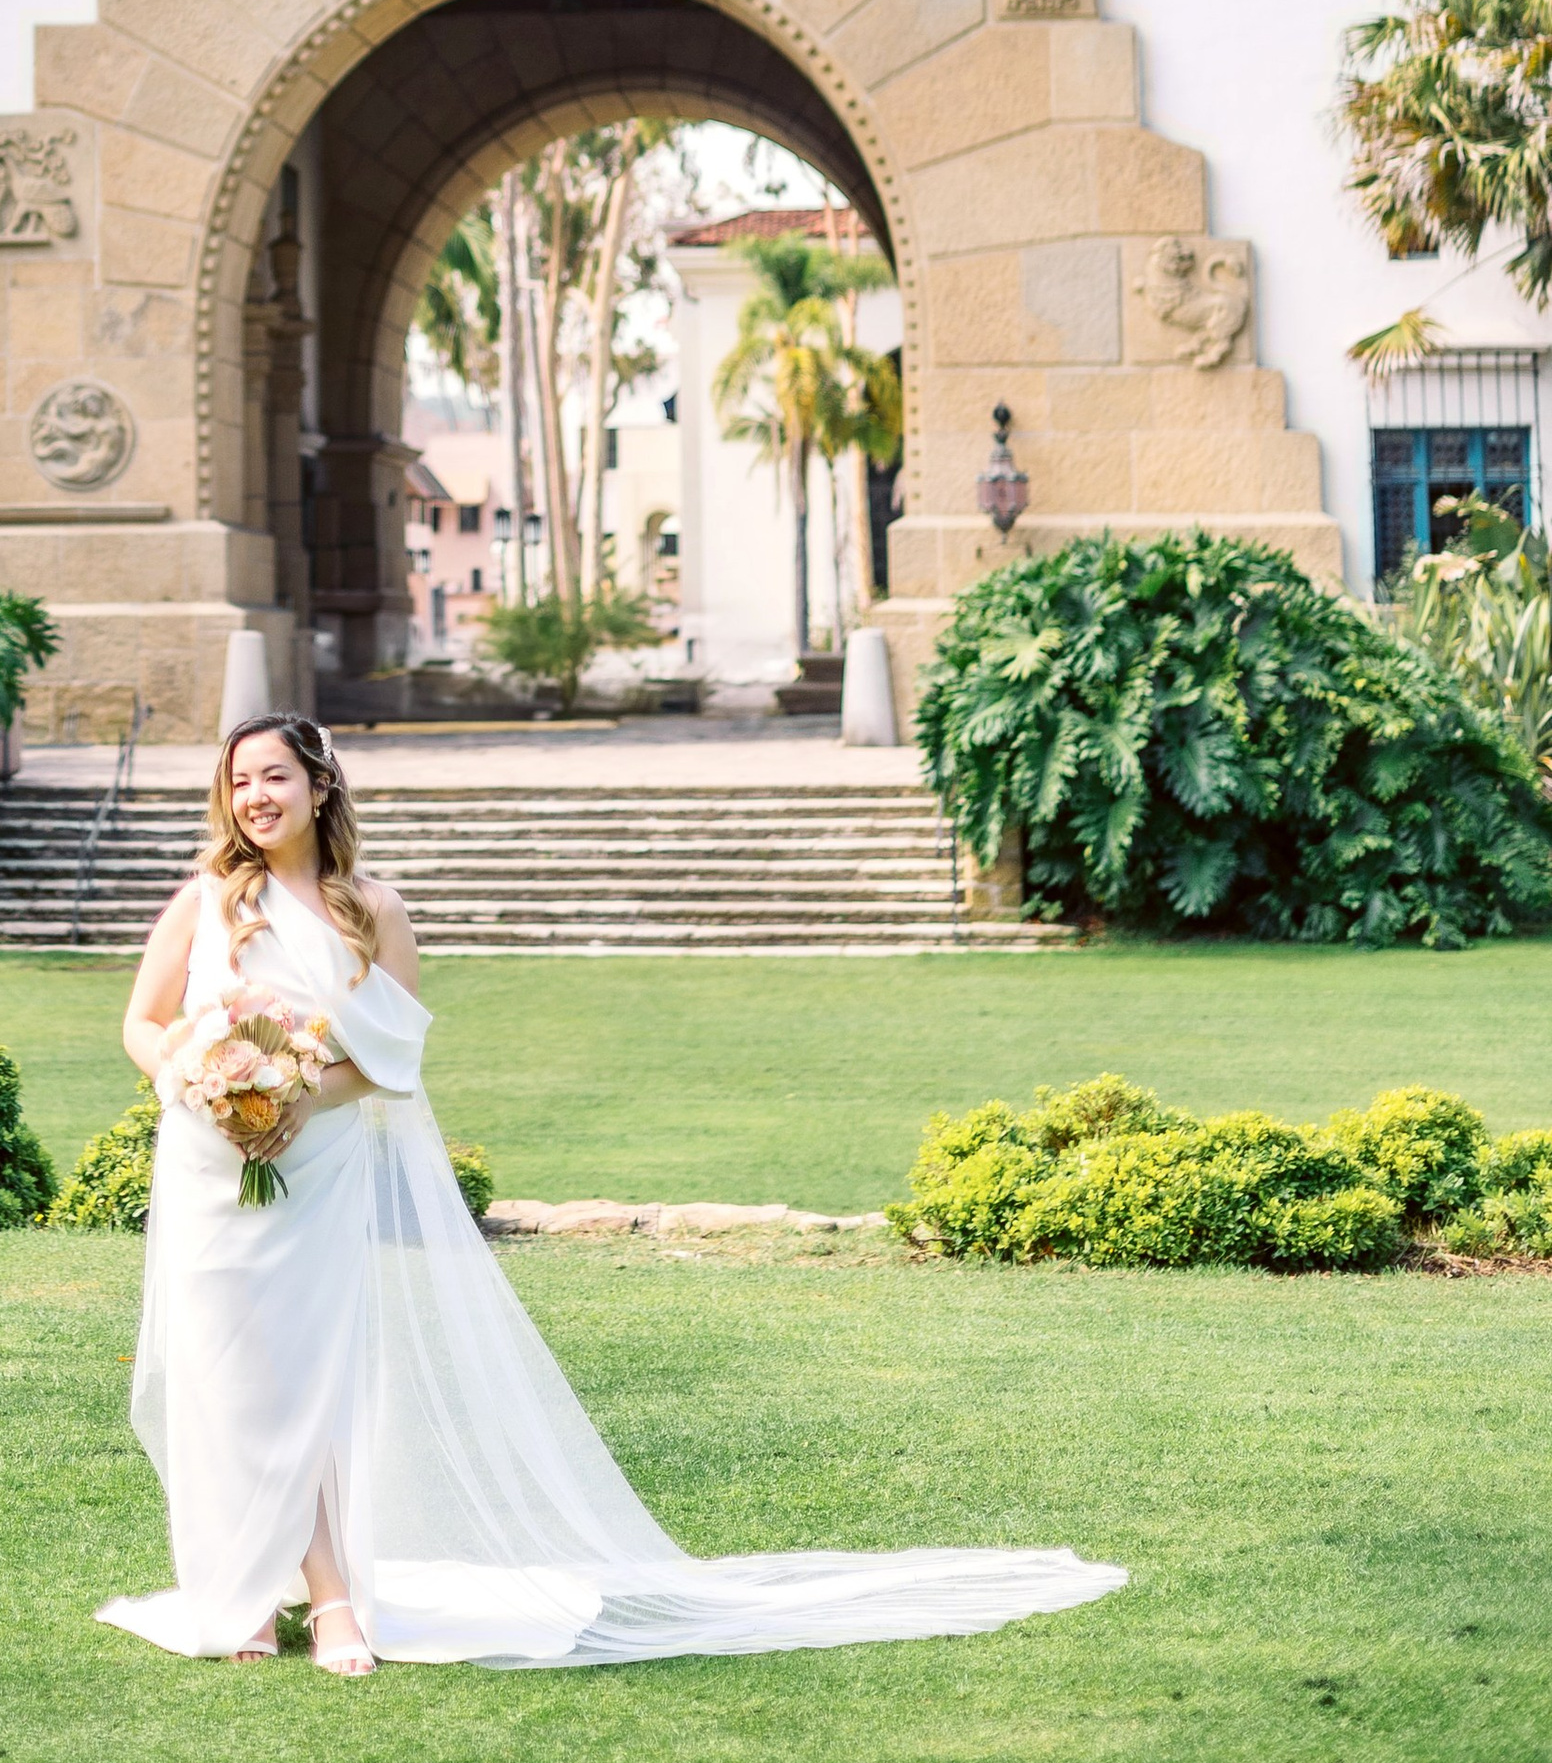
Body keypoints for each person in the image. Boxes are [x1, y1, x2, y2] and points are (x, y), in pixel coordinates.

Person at [99, 711, 1125, 1675]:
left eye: (272, 774)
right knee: (228, 1377)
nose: (253, 796)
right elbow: (144, 1025)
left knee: (313, 1379)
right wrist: (199, 1083)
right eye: (237, 781)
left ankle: (330, 1599)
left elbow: (393, 1057)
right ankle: (236, 1593)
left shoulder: (373, 910)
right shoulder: (204, 901)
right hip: (209, 1175)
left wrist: (292, 1101)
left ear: (319, 787)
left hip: (313, 1171)